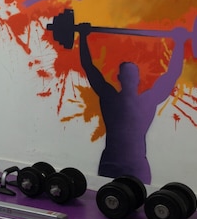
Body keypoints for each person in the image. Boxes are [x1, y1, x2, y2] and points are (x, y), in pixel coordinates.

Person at [78, 24, 187, 183]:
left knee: (136, 198)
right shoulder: (112, 98)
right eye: (127, 76)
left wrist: (180, 44)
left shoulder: (143, 100)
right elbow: (89, 67)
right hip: (112, 163)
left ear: (137, 79)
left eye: (131, 76)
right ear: (120, 78)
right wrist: (82, 37)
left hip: (135, 167)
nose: (129, 79)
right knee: (109, 196)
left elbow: (173, 74)